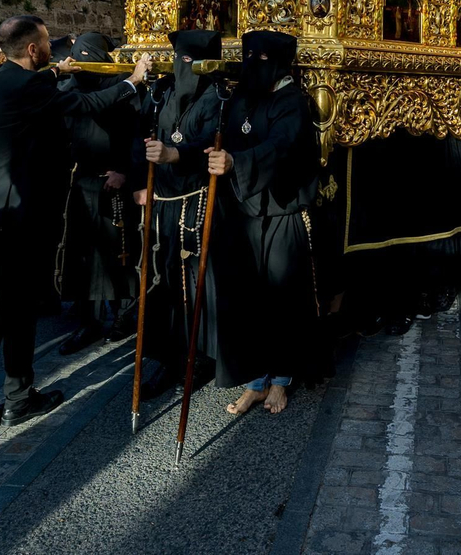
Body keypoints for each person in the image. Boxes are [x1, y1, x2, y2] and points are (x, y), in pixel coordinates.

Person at [0, 15, 150, 439]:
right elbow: (86, 105)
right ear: (32, 49)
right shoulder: (33, 87)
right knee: (19, 308)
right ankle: (19, 397)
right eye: (47, 43)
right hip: (19, 215)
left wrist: (55, 71)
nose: (52, 49)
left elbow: (40, 83)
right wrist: (132, 81)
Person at [197, 30, 324, 417]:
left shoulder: (293, 104)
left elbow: (281, 146)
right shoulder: (242, 98)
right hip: (244, 211)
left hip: (282, 213)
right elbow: (216, 137)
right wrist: (177, 153)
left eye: (263, 58)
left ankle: (282, 378)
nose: (253, 63)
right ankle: (255, 378)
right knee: (247, 298)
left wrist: (238, 163)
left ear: (280, 63)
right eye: (248, 55)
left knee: (282, 299)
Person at [138, 29, 227, 396]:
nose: (183, 68)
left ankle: (199, 356)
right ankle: (165, 357)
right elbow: (142, 133)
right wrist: (138, 180)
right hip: (162, 201)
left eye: (191, 61)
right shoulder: (163, 92)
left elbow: (213, 141)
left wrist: (177, 154)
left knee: (196, 282)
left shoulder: (219, 97)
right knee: (162, 280)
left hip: (198, 198)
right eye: (180, 60)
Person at [56, 33, 143, 353]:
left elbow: (136, 135)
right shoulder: (70, 89)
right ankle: (89, 322)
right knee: (84, 255)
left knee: (118, 252)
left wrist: (125, 172)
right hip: (82, 181)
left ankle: (123, 314)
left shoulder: (122, 87)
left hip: (114, 181)